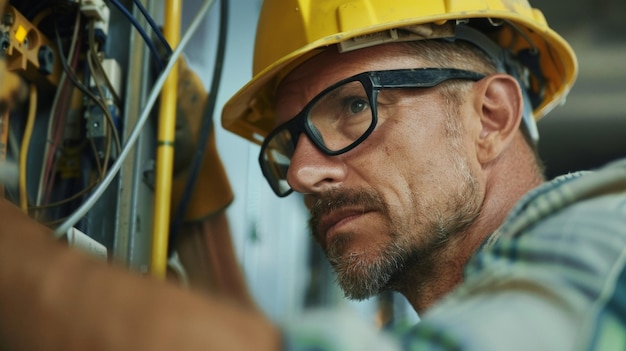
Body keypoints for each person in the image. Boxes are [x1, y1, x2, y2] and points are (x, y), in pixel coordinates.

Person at [1, 1, 626, 350]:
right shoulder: (459, 315)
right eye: (289, 140)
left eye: (354, 105)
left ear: (490, 117)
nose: (300, 172)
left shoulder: (607, 233)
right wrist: (203, 208)